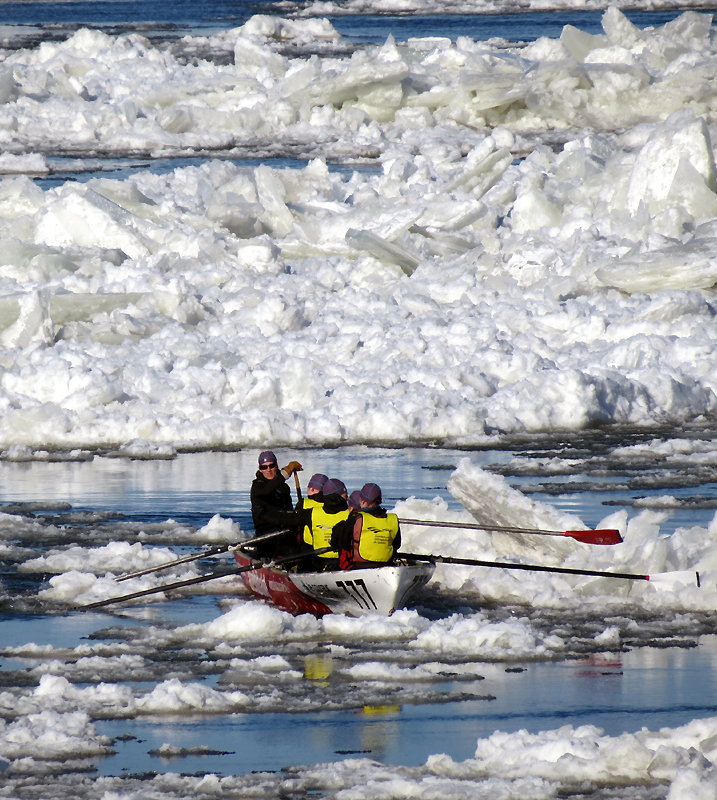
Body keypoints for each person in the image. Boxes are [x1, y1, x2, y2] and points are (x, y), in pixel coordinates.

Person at [332, 483, 401, 570]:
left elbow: (343, 544)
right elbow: (397, 544)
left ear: (363, 501)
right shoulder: (393, 519)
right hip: (386, 564)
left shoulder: (356, 519)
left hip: (360, 566)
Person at [250, 451, 303, 556]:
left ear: (276, 466)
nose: (268, 470)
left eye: (271, 466)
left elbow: (289, 510)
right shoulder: (257, 487)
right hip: (266, 535)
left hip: (285, 533)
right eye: (264, 467)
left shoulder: (284, 488)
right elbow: (268, 488)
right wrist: (286, 472)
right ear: (260, 470)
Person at [308, 478, 350, 571]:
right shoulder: (351, 515)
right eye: (345, 495)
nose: (347, 498)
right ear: (337, 496)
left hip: (322, 561)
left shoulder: (311, 513)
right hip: (338, 562)